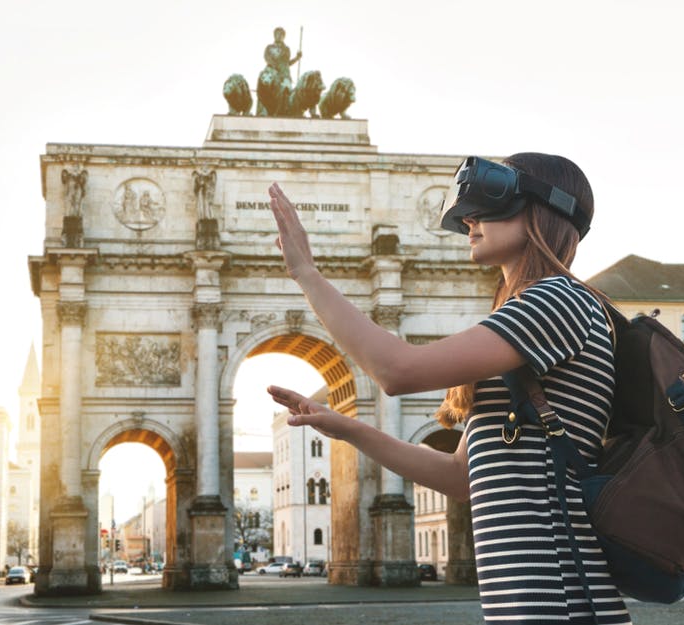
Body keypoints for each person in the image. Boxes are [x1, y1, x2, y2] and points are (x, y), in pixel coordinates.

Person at [266, 153, 632, 624]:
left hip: (561, 603)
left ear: (543, 212)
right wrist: (347, 428)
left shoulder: (557, 300)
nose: (471, 218)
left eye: (493, 204)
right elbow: (462, 478)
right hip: (527, 605)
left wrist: (307, 275)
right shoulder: (529, 315)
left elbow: (397, 370)